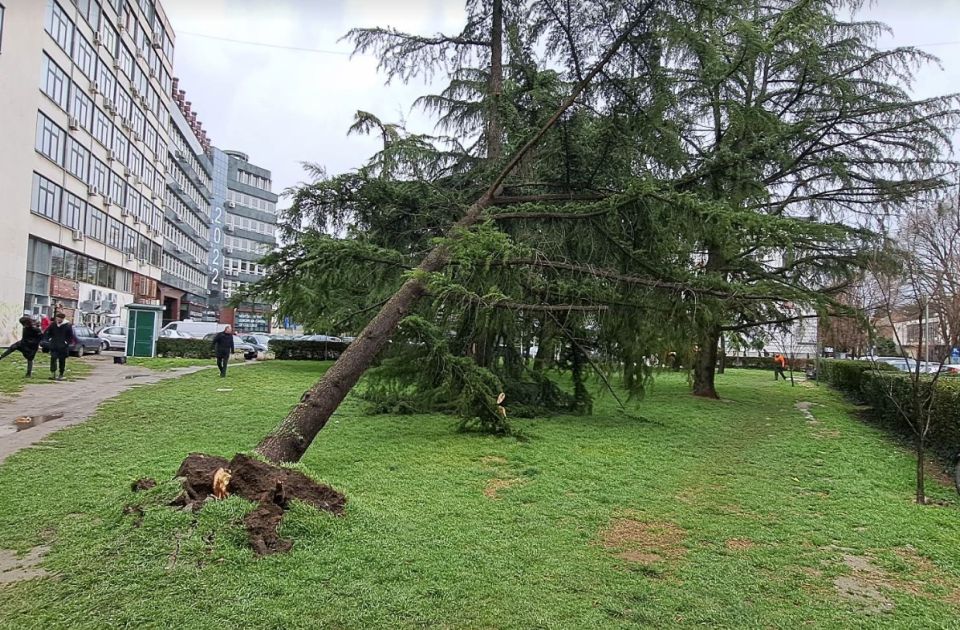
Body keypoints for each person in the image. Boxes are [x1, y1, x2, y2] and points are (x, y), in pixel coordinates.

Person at [43, 312, 76, 381]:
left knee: (62, 361)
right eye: (57, 318)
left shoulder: (67, 325)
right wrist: (48, 339)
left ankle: (61, 374)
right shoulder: (53, 324)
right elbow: (47, 332)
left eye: (59, 319)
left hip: (63, 347)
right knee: (53, 359)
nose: (58, 320)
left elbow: (70, 336)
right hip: (54, 345)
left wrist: (66, 342)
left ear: (62, 319)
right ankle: (53, 373)